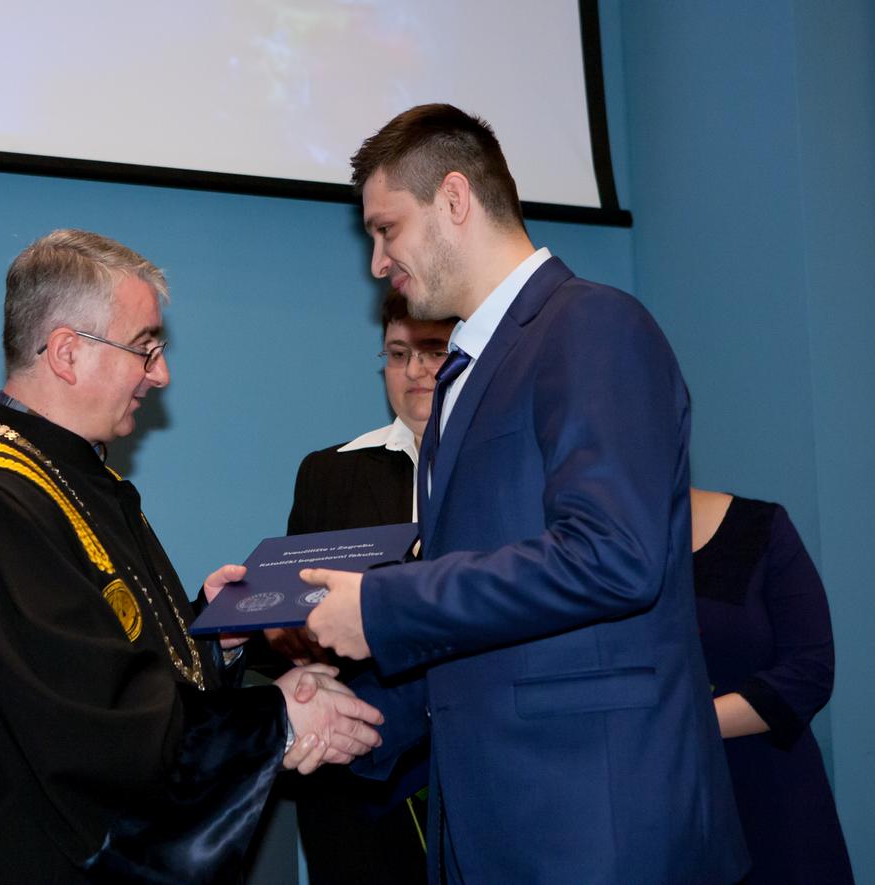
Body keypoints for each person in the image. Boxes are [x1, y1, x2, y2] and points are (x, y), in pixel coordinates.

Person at [302, 104, 750, 883]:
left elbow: (614, 556)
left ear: (453, 198)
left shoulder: (593, 325)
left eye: (386, 229)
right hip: (497, 830)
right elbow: (486, 625)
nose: (377, 262)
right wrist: (353, 718)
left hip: (599, 831)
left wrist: (381, 606)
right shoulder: (464, 376)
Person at [0, 229, 384, 884]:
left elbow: (119, 667)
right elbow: (94, 729)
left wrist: (213, 639)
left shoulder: (81, 483)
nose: (161, 374)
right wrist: (277, 719)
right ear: (67, 352)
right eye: (145, 348)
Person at [272, 289, 455, 885]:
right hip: (352, 762)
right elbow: (290, 610)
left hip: (477, 751)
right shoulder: (331, 472)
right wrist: (280, 631)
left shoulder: (510, 464)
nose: (415, 370)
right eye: (398, 354)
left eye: (434, 351)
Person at [691, 489, 855, 883]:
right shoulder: (590, 552)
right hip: (658, 805)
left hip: (771, 797)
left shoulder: (756, 527)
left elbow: (809, 674)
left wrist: (682, 724)